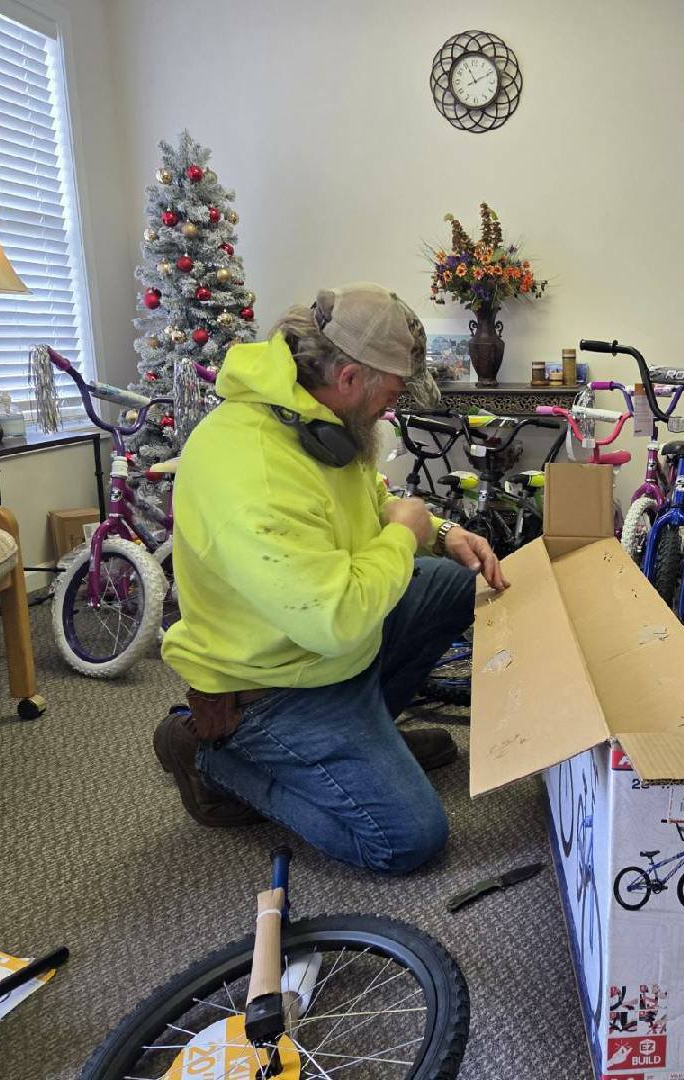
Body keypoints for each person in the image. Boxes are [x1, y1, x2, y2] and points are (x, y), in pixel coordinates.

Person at [154, 283, 507, 874]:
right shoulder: (254, 468)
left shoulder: (318, 420)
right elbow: (335, 620)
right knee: (407, 840)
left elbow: (371, 501)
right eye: (392, 393)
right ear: (348, 378)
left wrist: (441, 532)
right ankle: (215, 758)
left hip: (325, 653)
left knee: (450, 582)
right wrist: (405, 534)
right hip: (274, 687)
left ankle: (367, 735)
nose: (391, 408)